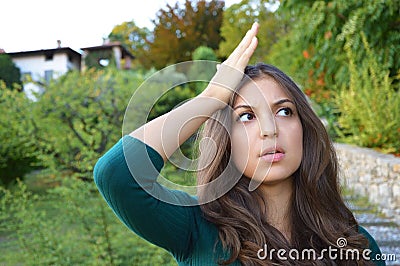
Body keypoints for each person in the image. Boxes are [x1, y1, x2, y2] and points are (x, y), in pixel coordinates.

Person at [94, 22, 384, 265]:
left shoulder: (355, 245)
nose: (269, 130)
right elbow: (116, 174)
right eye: (246, 116)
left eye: (284, 111)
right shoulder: (197, 229)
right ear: (226, 141)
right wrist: (211, 99)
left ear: (305, 130)